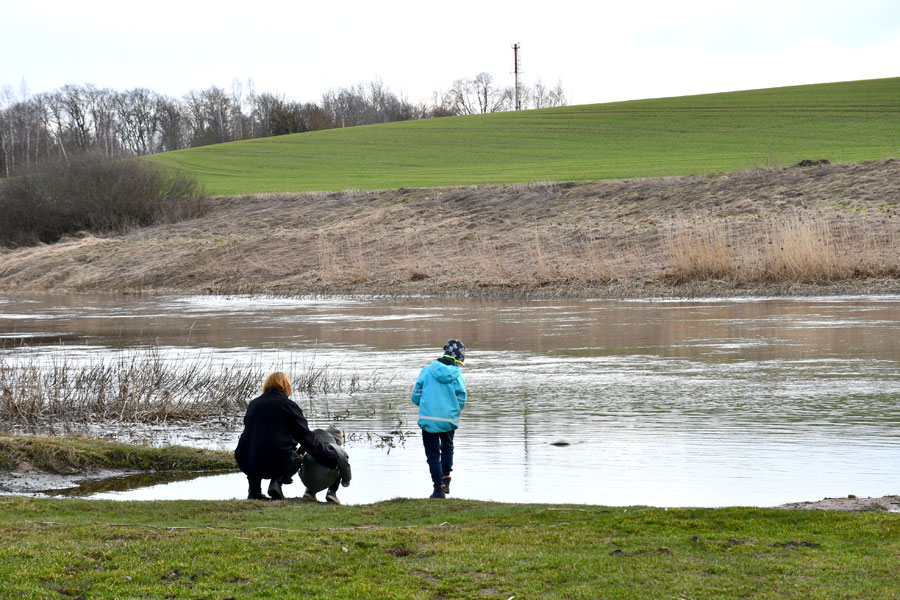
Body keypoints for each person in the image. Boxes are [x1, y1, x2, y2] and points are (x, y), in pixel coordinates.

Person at [234, 371, 338, 500]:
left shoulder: (254, 404)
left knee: (256, 444)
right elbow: (306, 438)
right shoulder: (288, 406)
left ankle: (254, 491)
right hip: (276, 461)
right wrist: (329, 457)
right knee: (295, 455)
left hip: (245, 459)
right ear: (286, 386)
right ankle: (276, 482)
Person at [411, 339, 467, 499]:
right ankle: (446, 478)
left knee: (433, 455)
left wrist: (423, 406)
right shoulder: (458, 376)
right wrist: (454, 411)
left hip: (428, 419)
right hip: (448, 419)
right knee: (448, 448)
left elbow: (415, 395)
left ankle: (438, 489)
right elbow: (462, 398)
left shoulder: (427, 371)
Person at [300, 426, 352, 504]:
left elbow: (297, 453)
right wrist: (346, 481)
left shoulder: (312, 443)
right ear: (337, 441)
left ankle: (309, 492)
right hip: (324, 478)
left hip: (306, 478)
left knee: (309, 461)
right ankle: (331, 493)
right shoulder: (336, 448)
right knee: (340, 465)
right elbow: (345, 464)